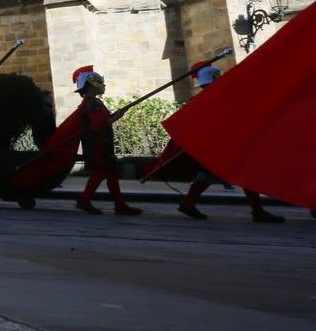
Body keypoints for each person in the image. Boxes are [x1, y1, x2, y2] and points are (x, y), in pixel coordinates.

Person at [151, 63, 284, 223]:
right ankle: (256, 210)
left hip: (222, 144)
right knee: (240, 171)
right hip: (219, 145)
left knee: (216, 173)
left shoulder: (212, 99)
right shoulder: (208, 100)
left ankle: (190, 203)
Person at [66, 66, 142, 216]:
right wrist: (117, 116)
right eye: (100, 82)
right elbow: (99, 124)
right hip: (99, 144)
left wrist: (114, 115)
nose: (103, 85)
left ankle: (119, 205)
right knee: (101, 172)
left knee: (111, 173)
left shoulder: (93, 102)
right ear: (91, 85)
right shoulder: (92, 103)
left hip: (102, 143)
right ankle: (85, 200)